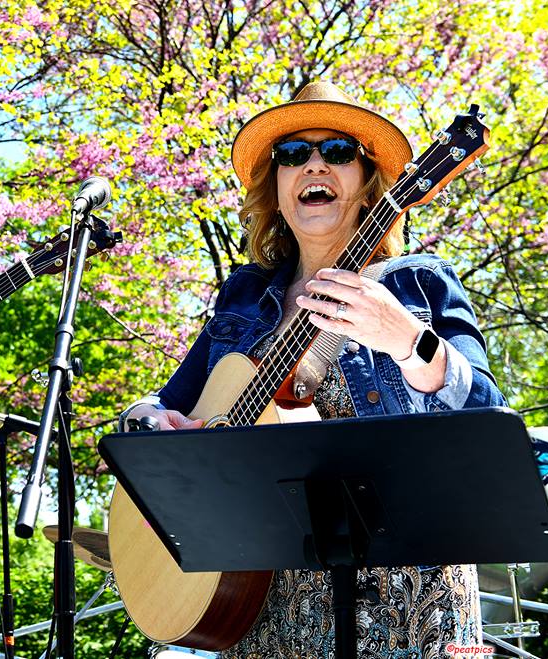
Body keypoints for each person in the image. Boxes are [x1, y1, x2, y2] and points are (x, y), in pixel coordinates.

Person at [120, 82, 506, 658]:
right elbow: (159, 406)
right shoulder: (245, 297)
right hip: (257, 606)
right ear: (275, 191)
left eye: (339, 151)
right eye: (294, 153)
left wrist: (407, 341)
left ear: (371, 184)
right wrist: (151, 422)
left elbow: (487, 414)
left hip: (404, 604)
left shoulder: (418, 283)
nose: (315, 164)